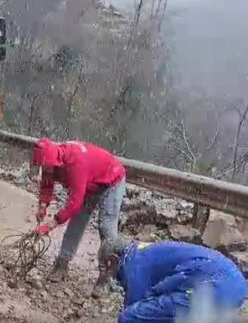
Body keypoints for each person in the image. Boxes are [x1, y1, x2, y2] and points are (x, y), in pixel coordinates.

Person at [30, 138, 126, 282]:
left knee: (106, 227)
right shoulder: (50, 160)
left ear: (57, 163)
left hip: (111, 180)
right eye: (44, 168)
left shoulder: (75, 164)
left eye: (48, 168)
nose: (47, 170)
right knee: (77, 222)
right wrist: (43, 205)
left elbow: (74, 204)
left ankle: (107, 277)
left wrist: (50, 225)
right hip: (90, 182)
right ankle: (62, 264)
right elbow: (47, 184)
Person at [97, 236, 247, 322]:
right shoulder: (144, 250)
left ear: (113, 259)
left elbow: (135, 305)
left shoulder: (132, 262)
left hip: (213, 288)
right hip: (234, 285)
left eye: (105, 269)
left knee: (129, 317)